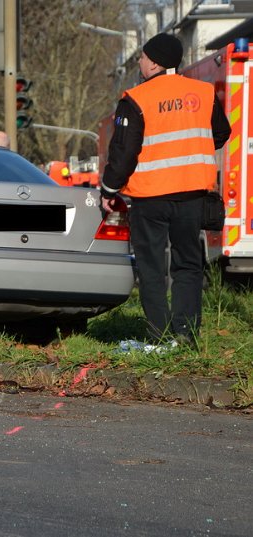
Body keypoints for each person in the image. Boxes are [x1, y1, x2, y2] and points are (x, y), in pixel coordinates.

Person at [99, 33, 231, 345]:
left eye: (142, 57)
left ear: (155, 62)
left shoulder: (136, 98)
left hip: (150, 196)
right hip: (191, 195)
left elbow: (124, 152)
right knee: (188, 264)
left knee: (152, 267)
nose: (140, 63)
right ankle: (186, 334)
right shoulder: (203, 92)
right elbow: (221, 132)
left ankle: (158, 335)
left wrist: (108, 189)